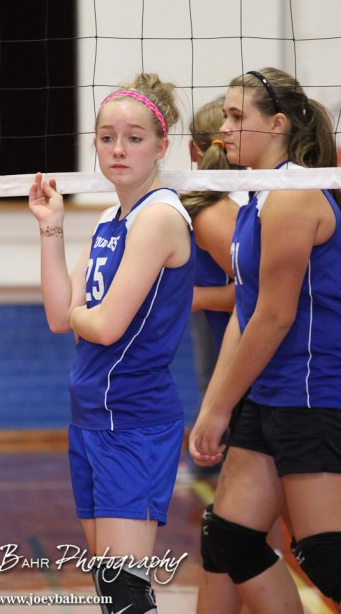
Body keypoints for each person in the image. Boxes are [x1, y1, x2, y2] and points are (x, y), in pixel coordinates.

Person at [29, 72, 195, 614]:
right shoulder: (109, 219)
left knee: (125, 594)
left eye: (134, 137)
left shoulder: (160, 217)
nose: (118, 149)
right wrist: (51, 225)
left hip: (134, 421)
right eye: (106, 137)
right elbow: (61, 317)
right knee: (113, 592)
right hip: (90, 417)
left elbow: (105, 328)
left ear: (162, 146)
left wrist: (85, 317)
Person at [189, 66, 341, 613]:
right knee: (230, 538)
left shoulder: (294, 196)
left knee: (326, 559)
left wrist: (219, 407)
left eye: (237, 117)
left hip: (312, 394)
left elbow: (274, 318)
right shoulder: (257, 198)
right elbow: (246, 313)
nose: (223, 129)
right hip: (269, 394)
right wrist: (214, 407)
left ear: (277, 125)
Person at [180, 99, 250, 614]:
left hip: (263, 365)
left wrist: (189, 296)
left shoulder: (218, 211)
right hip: (237, 353)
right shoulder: (199, 204)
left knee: (244, 532)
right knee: (233, 534)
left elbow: (264, 296)